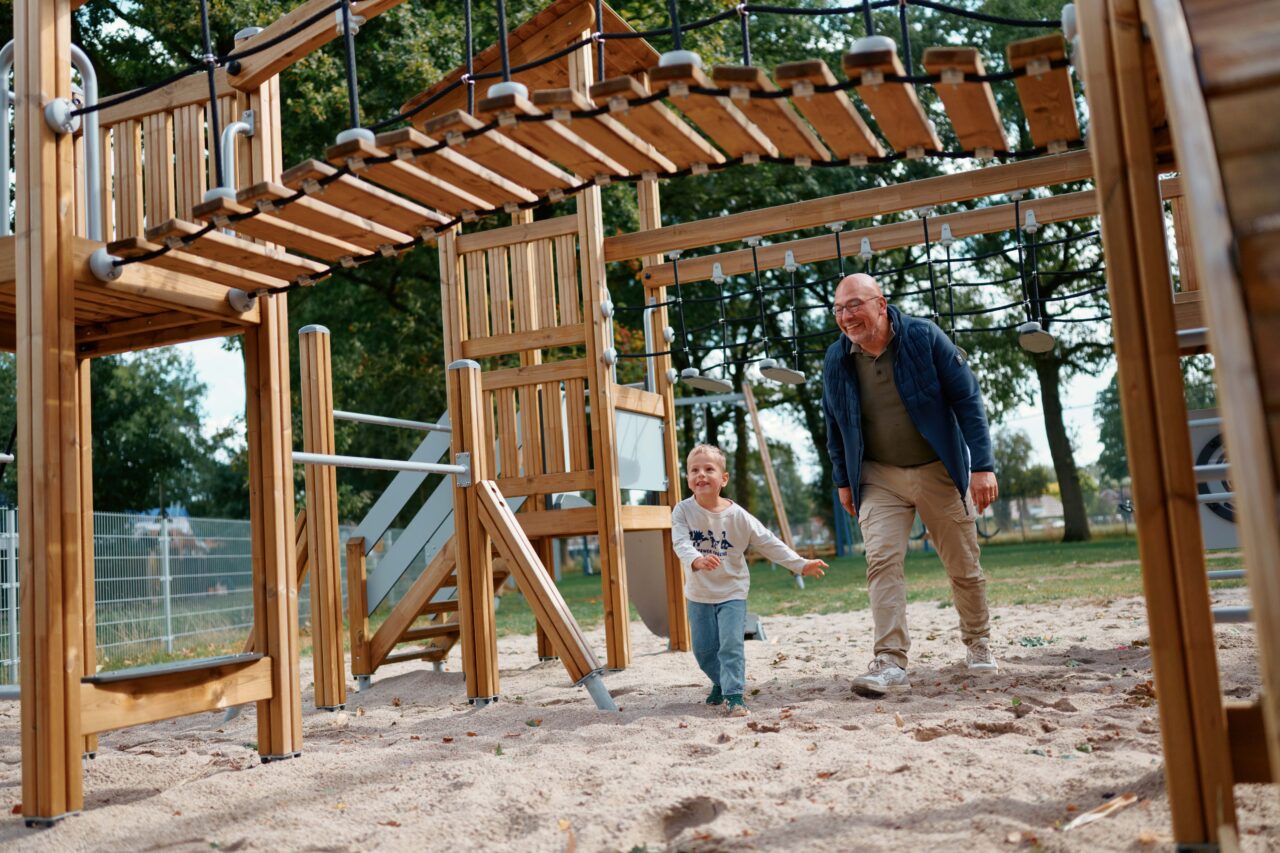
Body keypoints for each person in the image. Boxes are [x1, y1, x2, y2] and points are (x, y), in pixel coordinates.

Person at [822, 273, 1000, 697]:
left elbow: (967, 398)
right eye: (839, 309)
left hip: (938, 469)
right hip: (877, 476)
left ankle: (978, 642)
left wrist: (982, 466)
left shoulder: (924, 337)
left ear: (881, 305)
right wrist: (843, 480)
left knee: (963, 565)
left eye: (855, 305)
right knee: (881, 561)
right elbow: (833, 421)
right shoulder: (836, 357)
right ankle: (889, 661)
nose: (847, 316)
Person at [672, 444, 828, 717]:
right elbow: (680, 542)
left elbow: (768, 542)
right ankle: (720, 682)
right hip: (699, 594)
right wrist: (696, 559)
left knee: (731, 645)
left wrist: (800, 564)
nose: (701, 474)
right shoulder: (683, 511)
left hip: (732, 591)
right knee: (704, 651)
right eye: (694, 470)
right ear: (687, 478)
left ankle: (734, 695)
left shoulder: (738, 516)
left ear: (724, 479)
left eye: (709, 469)